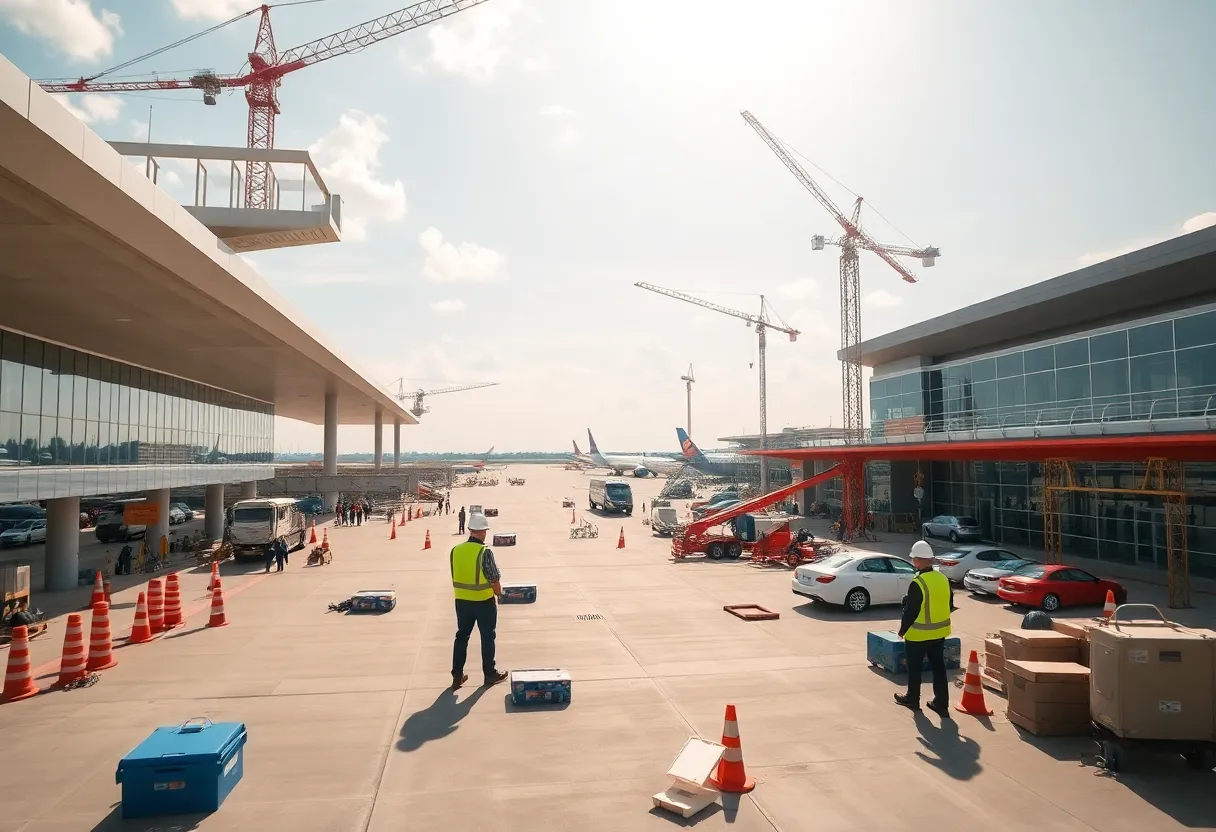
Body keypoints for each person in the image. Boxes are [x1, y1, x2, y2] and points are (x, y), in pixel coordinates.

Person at [895, 539, 955, 716]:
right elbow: (950, 604)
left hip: (918, 636)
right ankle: (941, 705)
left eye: (914, 558)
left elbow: (911, 612)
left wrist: (902, 630)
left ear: (920, 560)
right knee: (939, 668)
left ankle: (913, 700)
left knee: (915, 669)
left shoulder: (918, 582)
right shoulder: (943, 579)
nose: (913, 561)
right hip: (939, 633)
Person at [450, 513, 509, 690]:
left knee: (462, 637)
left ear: (469, 529)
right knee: (487, 638)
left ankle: (457, 676)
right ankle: (490, 674)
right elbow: (494, 578)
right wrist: (499, 594)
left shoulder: (456, 550)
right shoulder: (484, 552)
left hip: (462, 602)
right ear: (483, 531)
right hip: (483, 602)